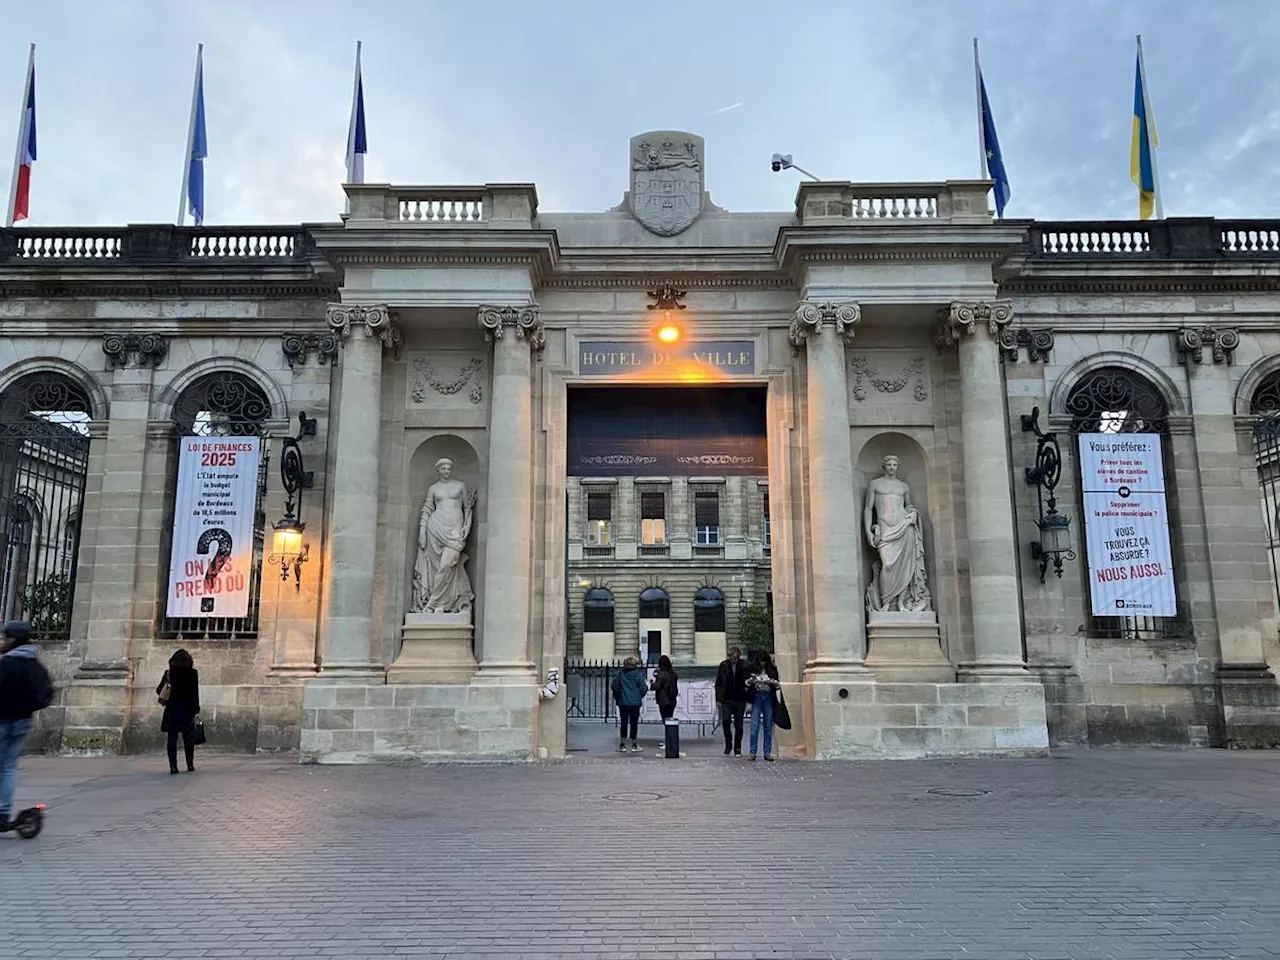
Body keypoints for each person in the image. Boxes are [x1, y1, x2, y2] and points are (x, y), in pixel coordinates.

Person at [0, 621, 53, 832]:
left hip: (2, 721)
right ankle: (3, 811)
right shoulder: (35, 664)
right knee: (9, 766)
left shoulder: (6, 664)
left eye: (5, 637)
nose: (3, 641)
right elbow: (46, 693)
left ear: (13, 640)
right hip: (22, 722)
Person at [157, 649, 201, 774]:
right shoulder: (193, 673)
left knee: (172, 739)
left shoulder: (169, 673)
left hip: (172, 709)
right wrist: (196, 709)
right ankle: (190, 764)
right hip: (187, 710)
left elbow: (159, 690)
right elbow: (194, 693)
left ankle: (173, 766)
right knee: (188, 739)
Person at [744, 652, 780, 762]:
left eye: (764, 661)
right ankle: (753, 752)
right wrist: (751, 680)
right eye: (761, 661)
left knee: (767, 726)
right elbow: (746, 683)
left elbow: (778, 684)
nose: (762, 664)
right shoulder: (753, 669)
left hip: (768, 696)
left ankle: (767, 752)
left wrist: (772, 682)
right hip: (757, 697)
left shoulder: (772, 670)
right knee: (754, 726)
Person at [715, 646, 749, 756]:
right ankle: (728, 745)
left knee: (739, 724)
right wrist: (718, 698)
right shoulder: (724, 665)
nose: (732, 659)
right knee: (726, 721)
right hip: (727, 699)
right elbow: (719, 682)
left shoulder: (745, 665)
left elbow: (748, 681)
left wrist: (748, 698)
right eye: (730, 657)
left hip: (740, 698)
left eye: (734, 657)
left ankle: (737, 748)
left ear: (738, 656)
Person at [609, 656, 648, 754]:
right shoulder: (638, 675)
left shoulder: (621, 675)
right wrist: (638, 696)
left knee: (623, 723)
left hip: (623, 702)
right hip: (635, 703)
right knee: (634, 724)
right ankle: (634, 744)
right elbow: (644, 688)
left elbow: (613, 685)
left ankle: (622, 744)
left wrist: (619, 696)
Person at [650, 655, 679, 724]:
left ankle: (668, 733)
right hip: (672, 698)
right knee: (670, 718)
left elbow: (657, 686)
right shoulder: (673, 673)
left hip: (663, 700)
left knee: (665, 719)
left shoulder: (661, 674)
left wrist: (652, 683)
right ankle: (670, 733)